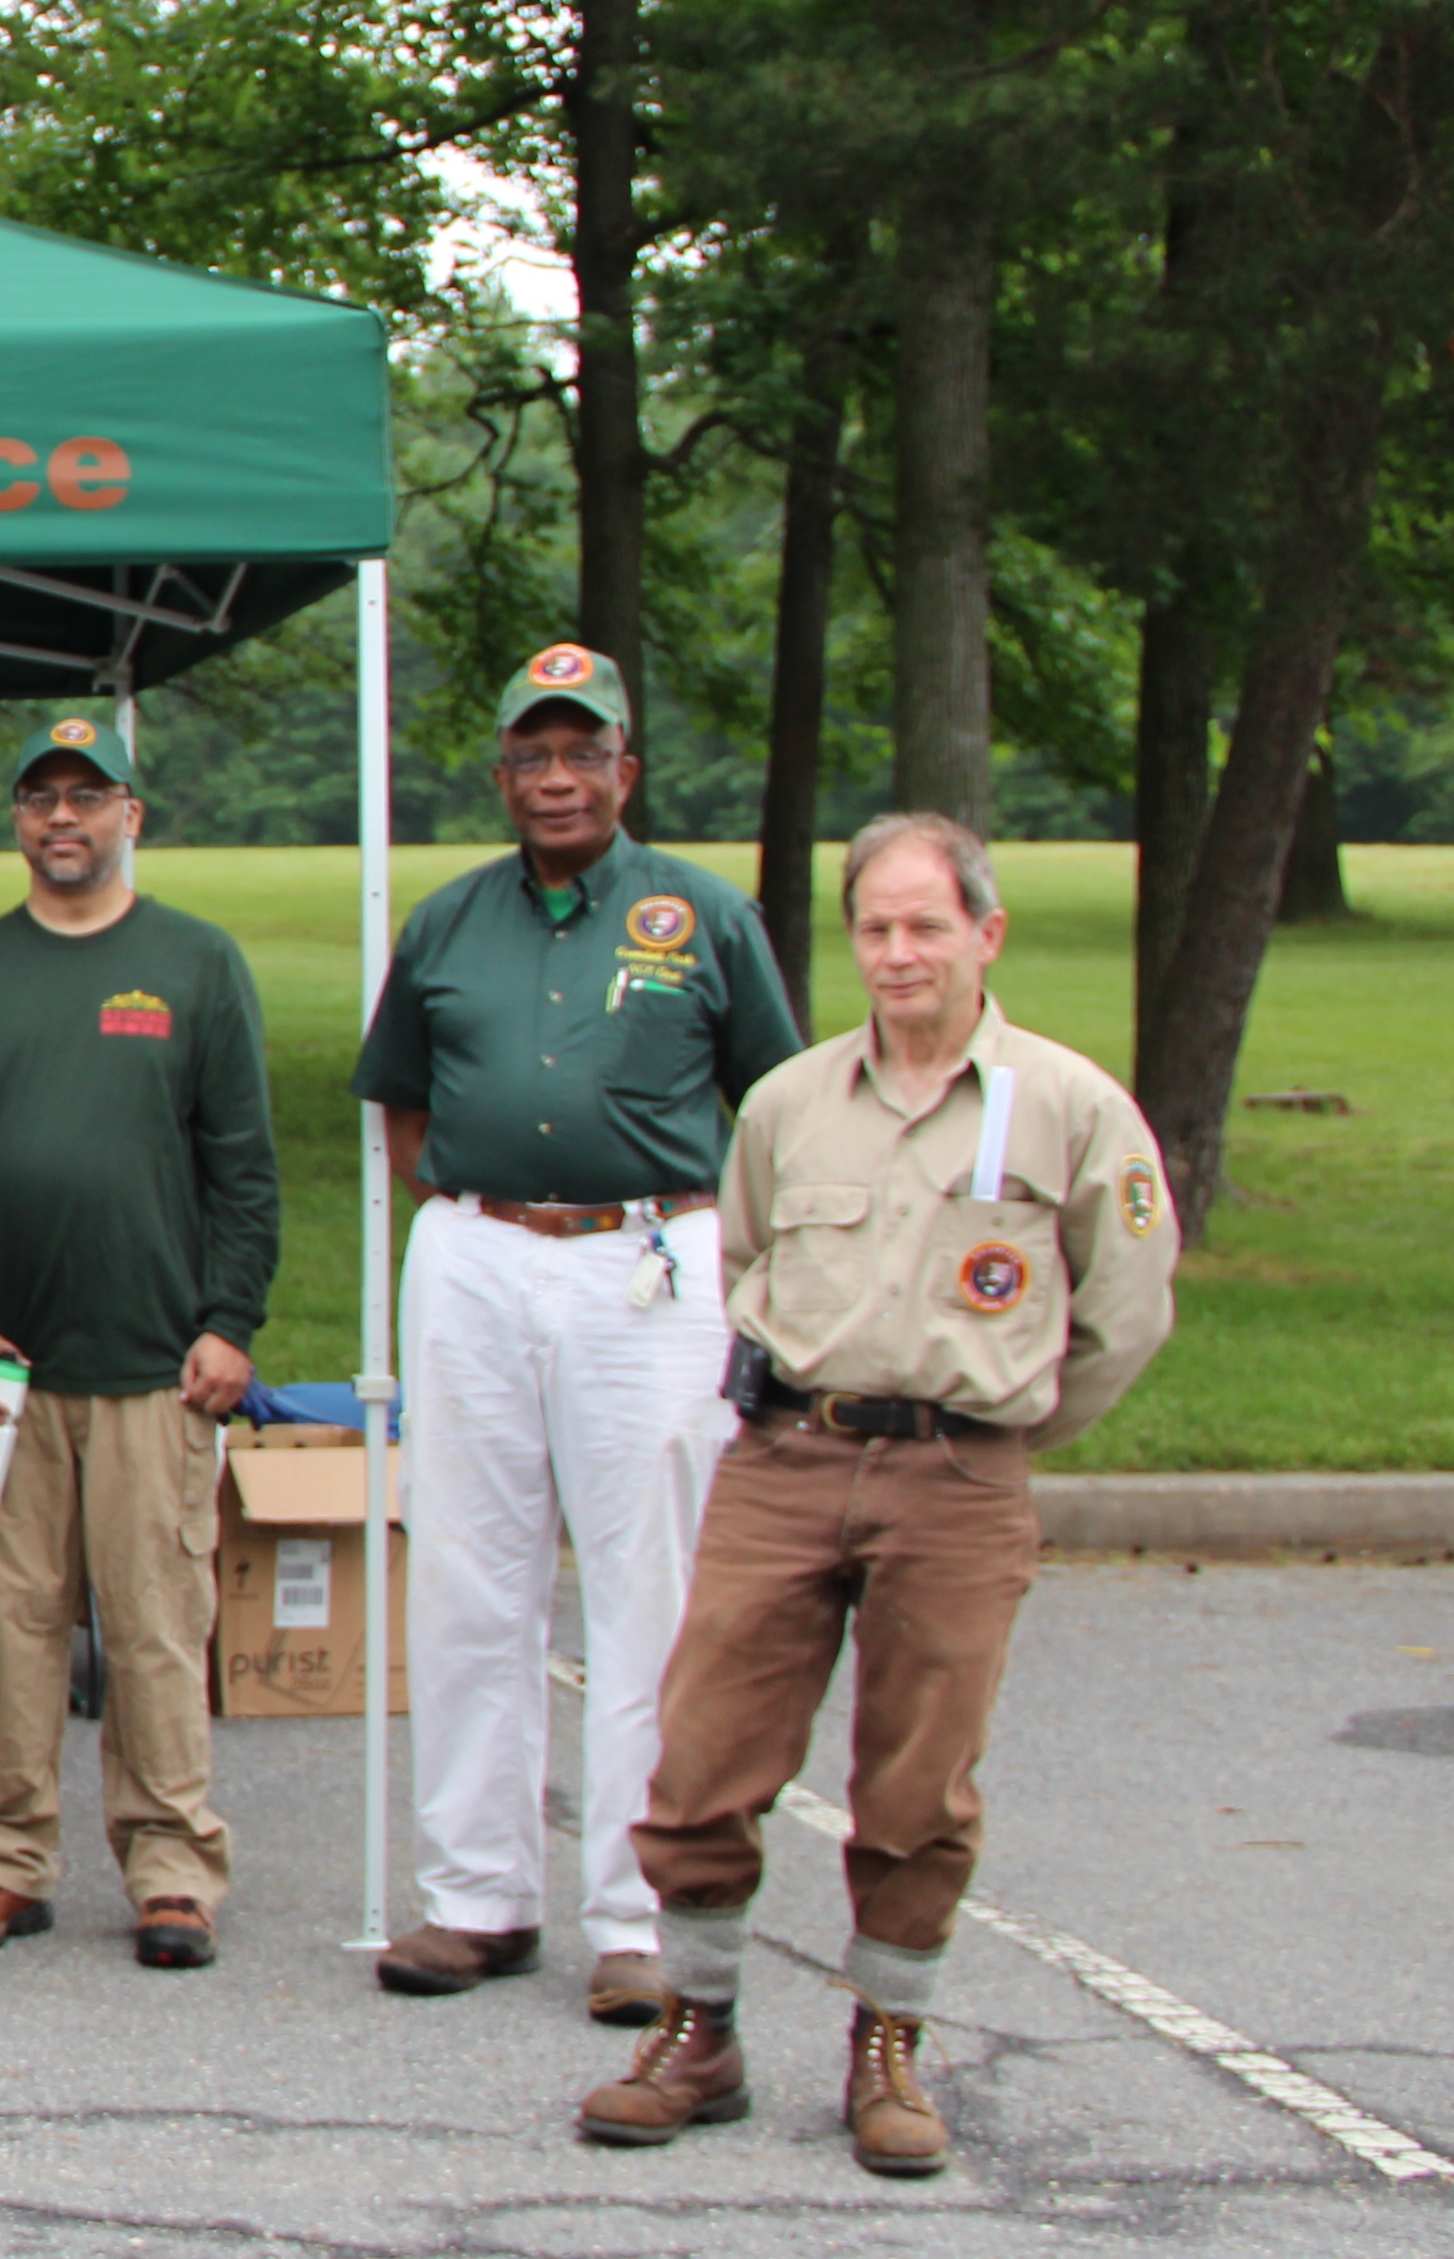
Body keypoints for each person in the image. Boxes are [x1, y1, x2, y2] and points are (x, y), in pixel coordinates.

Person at [578, 814, 1175, 2178]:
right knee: (701, 1756)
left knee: (916, 1784)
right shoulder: (790, 1102)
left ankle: (887, 2044)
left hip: (957, 1478)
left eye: (925, 926)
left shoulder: (1069, 1106)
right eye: (874, 928)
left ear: (985, 934)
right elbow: (742, 1258)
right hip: (784, 1460)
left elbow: (1126, 1315)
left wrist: (997, 1426)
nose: (898, 954)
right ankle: (698, 2026)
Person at [355, 645, 806, 2024]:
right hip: (481, 1250)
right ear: (499, 775)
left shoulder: (703, 914)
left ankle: (635, 1915)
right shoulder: (444, 922)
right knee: (470, 1576)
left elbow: (776, 1116)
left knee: (646, 1593)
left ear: (624, 769)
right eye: (531, 756)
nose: (556, 778)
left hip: (646, 1263)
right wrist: (490, 1220)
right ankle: (476, 1897)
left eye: (581, 753)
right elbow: (402, 1109)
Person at [0, 714, 277, 1970]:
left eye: (87, 794)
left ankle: (172, 1865)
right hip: (2, 1366)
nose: (60, 817)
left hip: (153, 1362)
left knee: (156, 1623)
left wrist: (230, 1320)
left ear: (133, 813)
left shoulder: (194, 961)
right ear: (14, 817)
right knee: (4, 1627)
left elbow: (240, 1161)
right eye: (38, 796)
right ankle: (2, 1858)